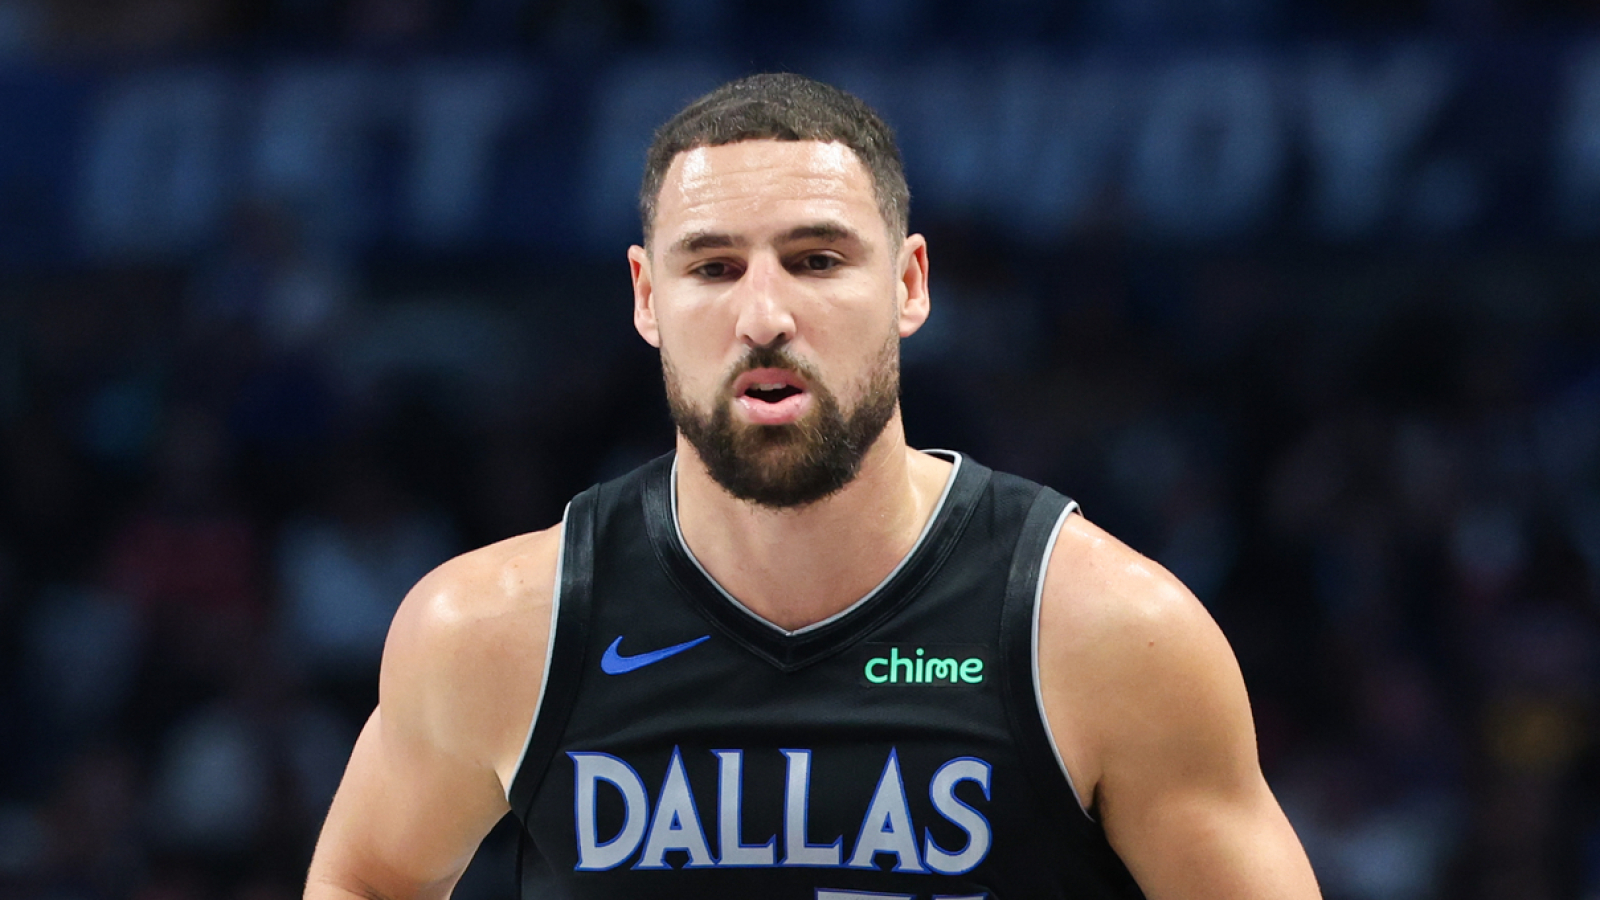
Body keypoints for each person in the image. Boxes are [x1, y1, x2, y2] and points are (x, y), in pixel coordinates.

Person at [304, 73, 1322, 900]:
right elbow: (366, 879)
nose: (763, 316)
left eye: (817, 259)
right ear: (647, 298)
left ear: (909, 285)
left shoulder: (1106, 634)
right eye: (713, 268)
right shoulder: (495, 632)